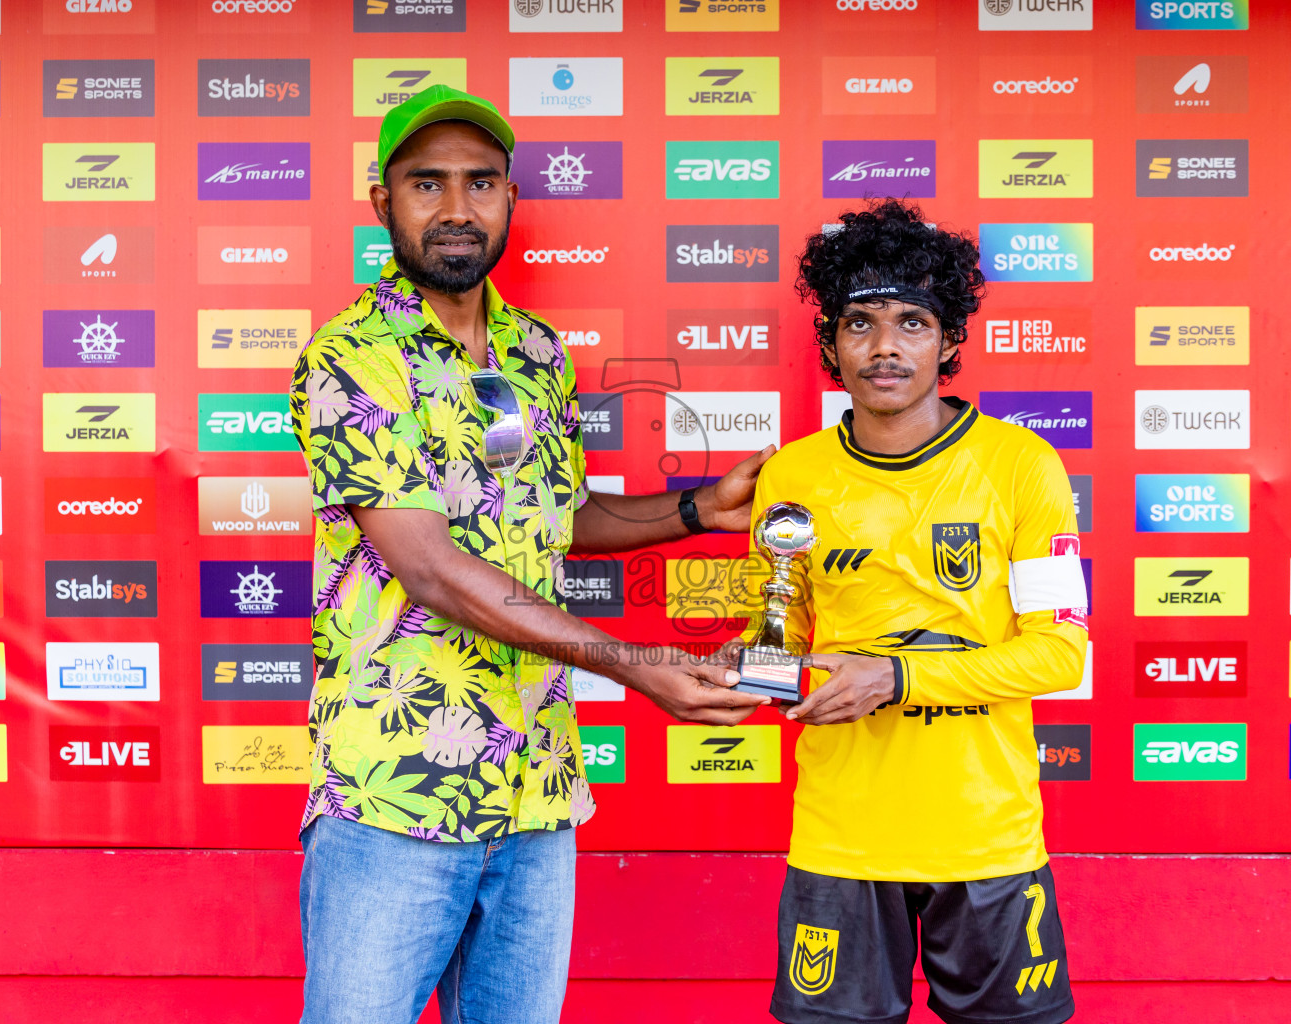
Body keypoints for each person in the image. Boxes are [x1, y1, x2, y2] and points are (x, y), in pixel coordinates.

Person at [288, 85, 773, 1024]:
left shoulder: (535, 353)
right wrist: (638, 666)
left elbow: (559, 513)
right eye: (426, 183)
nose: (456, 207)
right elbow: (427, 565)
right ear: (382, 203)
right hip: (397, 792)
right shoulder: (352, 358)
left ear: (510, 201)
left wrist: (694, 510)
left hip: (538, 788)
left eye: (480, 182)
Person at [739, 200, 1087, 1024]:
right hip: (841, 838)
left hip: (987, 837)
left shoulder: (1022, 467)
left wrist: (894, 676)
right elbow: (777, 639)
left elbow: (1060, 656)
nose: (885, 346)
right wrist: (749, 671)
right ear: (829, 343)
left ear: (950, 340)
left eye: (912, 322)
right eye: (859, 323)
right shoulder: (791, 478)